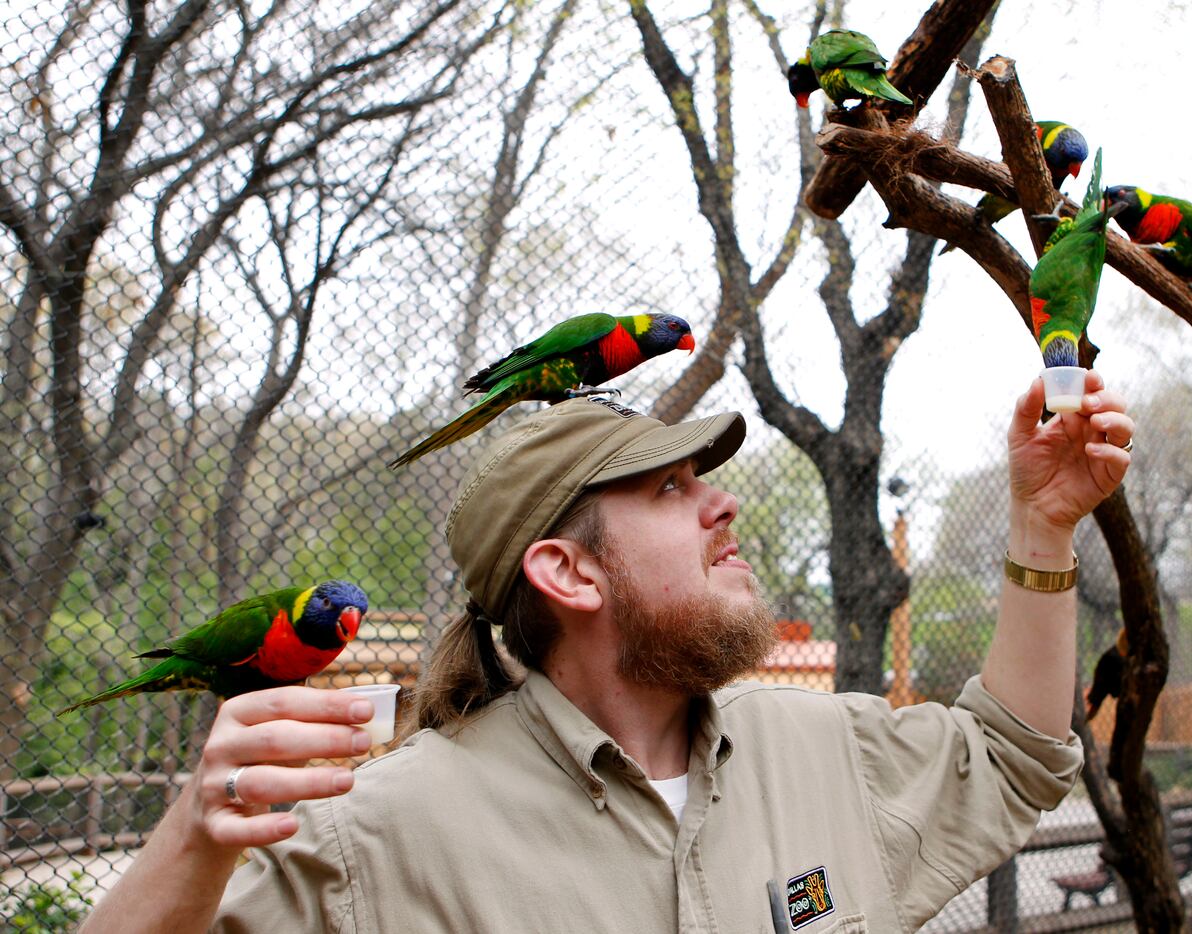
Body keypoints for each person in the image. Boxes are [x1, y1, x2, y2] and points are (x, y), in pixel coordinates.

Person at [82, 374, 1134, 933]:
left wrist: (1042, 532)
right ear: (568, 574)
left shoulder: (820, 747)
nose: (725, 502)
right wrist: (190, 836)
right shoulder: (381, 836)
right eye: (670, 489)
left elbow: (1009, 756)